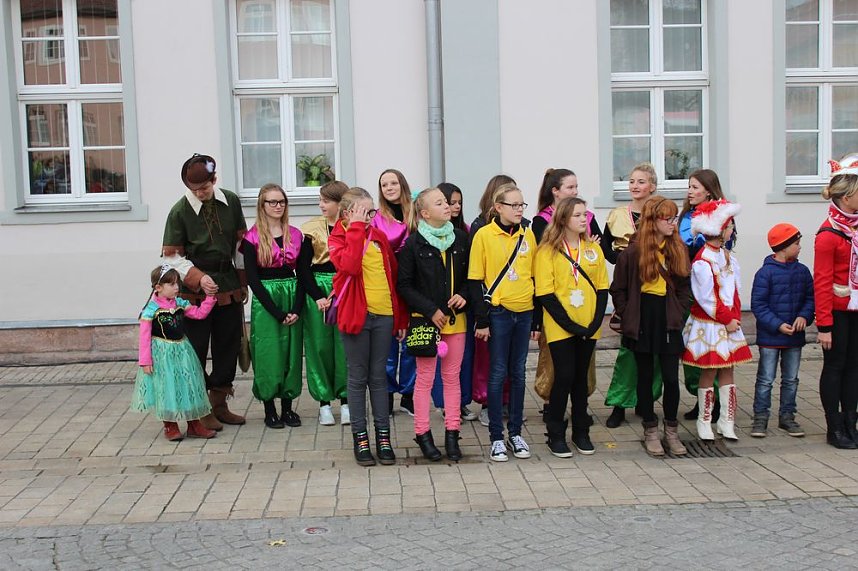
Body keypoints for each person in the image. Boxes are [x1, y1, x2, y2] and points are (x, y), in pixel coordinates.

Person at [162, 153, 247, 429]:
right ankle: (198, 408)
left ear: (214, 179)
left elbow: (241, 246)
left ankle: (219, 403)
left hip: (228, 285)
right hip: (195, 292)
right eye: (195, 189)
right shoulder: (179, 211)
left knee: (228, 345)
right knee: (196, 349)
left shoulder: (230, 201)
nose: (200, 193)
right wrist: (198, 278)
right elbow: (172, 257)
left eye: (205, 188)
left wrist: (243, 282)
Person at [329, 187, 408, 466]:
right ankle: (360, 438)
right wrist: (357, 228)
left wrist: (399, 319)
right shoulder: (339, 237)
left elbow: (392, 277)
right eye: (366, 212)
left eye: (372, 211)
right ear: (349, 213)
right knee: (357, 377)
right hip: (356, 317)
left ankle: (383, 437)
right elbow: (349, 267)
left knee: (379, 377)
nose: (372, 216)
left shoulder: (379, 238)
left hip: (383, 315)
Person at [611, 197, 691, 456]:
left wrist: (678, 313)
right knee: (644, 377)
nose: (672, 223)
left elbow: (683, 287)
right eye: (667, 219)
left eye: (674, 218)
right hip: (643, 317)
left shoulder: (676, 247)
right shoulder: (633, 252)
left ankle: (671, 430)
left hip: (668, 317)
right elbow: (619, 289)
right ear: (652, 221)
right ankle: (650, 429)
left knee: (670, 377)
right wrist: (628, 313)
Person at [397, 187, 470, 461]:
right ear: (425, 213)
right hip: (425, 323)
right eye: (440, 203)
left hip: (456, 322)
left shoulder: (461, 239)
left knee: (452, 378)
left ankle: (453, 432)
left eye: (447, 202)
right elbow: (404, 285)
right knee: (425, 379)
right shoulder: (413, 244)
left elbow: (470, 277)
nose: (448, 206)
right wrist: (430, 310)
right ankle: (422, 434)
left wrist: (463, 294)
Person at [469, 182, 539, 462]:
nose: (520, 210)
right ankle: (497, 437)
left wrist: (536, 321)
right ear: (498, 208)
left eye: (522, 205)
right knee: (498, 374)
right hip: (498, 314)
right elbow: (475, 280)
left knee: (519, 373)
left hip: (524, 312)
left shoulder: (528, 236)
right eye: (514, 205)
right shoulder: (484, 235)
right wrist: (482, 320)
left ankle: (516, 433)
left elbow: (534, 277)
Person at [535, 197, 608, 457]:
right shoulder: (547, 251)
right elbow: (545, 294)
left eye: (584, 215)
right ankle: (555, 433)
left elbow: (602, 288)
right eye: (577, 215)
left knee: (581, 379)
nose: (583, 219)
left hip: (589, 325)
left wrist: (596, 321)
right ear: (564, 219)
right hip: (561, 326)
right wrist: (572, 325)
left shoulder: (593, 249)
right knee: (563, 376)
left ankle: (581, 431)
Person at [241, 184, 311, 429]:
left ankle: (288, 408)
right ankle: (269, 409)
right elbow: (252, 279)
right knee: (268, 353)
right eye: (272, 202)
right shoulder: (251, 238)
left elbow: (303, 274)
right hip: (267, 299)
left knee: (292, 354)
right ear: (262, 205)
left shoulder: (296, 234)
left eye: (281, 201)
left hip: (292, 292)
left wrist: (296, 307)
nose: (278, 206)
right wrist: (278, 312)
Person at [682, 199, 752, 441]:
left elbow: (735, 290)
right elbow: (706, 297)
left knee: (728, 369)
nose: (732, 229)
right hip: (711, 324)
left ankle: (727, 421)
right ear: (720, 229)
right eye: (730, 225)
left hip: (729, 322)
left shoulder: (728, 257)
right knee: (709, 371)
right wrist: (726, 319)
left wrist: (735, 316)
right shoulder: (702, 261)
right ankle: (704, 421)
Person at [602, 162, 661, 428]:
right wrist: (623, 259)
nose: (635, 186)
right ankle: (619, 403)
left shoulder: (661, 213)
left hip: (656, 284)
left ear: (653, 186)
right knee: (629, 349)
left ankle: (645, 401)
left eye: (641, 182)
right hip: (628, 284)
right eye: (632, 181)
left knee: (656, 350)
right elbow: (605, 246)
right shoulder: (616, 215)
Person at [131, 265, 218, 441]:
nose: (177, 287)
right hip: (162, 355)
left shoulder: (180, 303)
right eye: (172, 284)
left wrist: (210, 298)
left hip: (182, 351)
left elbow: (199, 314)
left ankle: (194, 424)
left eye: (177, 283)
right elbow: (144, 337)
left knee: (188, 384)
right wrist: (145, 361)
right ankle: (170, 425)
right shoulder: (151, 310)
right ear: (158, 288)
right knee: (167, 387)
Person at [678, 169, 734, 421]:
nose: (690, 191)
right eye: (689, 187)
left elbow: (727, 246)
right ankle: (702, 398)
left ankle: (720, 405)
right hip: (687, 285)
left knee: (719, 348)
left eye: (695, 187)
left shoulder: (723, 215)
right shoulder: (685, 216)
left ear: (709, 191)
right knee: (695, 346)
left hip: (712, 286)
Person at [750, 223, 814, 438]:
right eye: (796, 244)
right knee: (766, 379)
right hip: (771, 337)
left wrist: (804, 316)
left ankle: (787, 416)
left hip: (794, 338)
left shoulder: (803, 271)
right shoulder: (765, 273)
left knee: (791, 379)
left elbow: (810, 299)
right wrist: (777, 324)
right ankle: (760, 417)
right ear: (783, 247)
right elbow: (759, 305)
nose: (800, 247)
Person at [813, 154, 858, 449]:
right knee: (835, 367)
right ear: (845, 196)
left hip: (857, 310)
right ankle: (834, 426)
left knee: (855, 367)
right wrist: (825, 325)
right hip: (838, 314)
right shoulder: (828, 235)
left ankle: (850, 423)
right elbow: (821, 282)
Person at [300, 181, 350, 426]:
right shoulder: (311, 230)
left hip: (346, 288)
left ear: (341, 203)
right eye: (320, 200)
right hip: (318, 291)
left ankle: (347, 400)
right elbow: (303, 269)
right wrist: (318, 296)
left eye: (326, 200)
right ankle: (324, 403)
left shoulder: (353, 227)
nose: (321, 205)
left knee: (345, 345)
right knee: (319, 346)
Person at [470, 174, 518, 426]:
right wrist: (481, 314)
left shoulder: (524, 228)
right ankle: (490, 403)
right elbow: (476, 273)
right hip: (491, 304)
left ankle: (510, 403)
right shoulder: (480, 226)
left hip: (517, 304)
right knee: (491, 359)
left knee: (512, 360)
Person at [431, 182, 478, 422]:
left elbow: (471, 272)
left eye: (459, 202)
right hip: (438, 309)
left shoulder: (465, 232)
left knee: (464, 356)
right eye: (451, 202)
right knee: (441, 355)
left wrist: (465, 294)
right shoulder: (427, 235)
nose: (456, 206)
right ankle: (443, 402)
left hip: (462, 306)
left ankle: (461, 401)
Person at [371, 169, 417, 416]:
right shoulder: (377, 217)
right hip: (388, 282)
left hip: (414, 282)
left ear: (402, 184)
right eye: (384, 184)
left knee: (411, 339)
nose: (389, 188)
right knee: (388, 340)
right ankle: (386, 393)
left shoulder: (416, 212)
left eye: (393, 183)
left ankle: (409, 395)